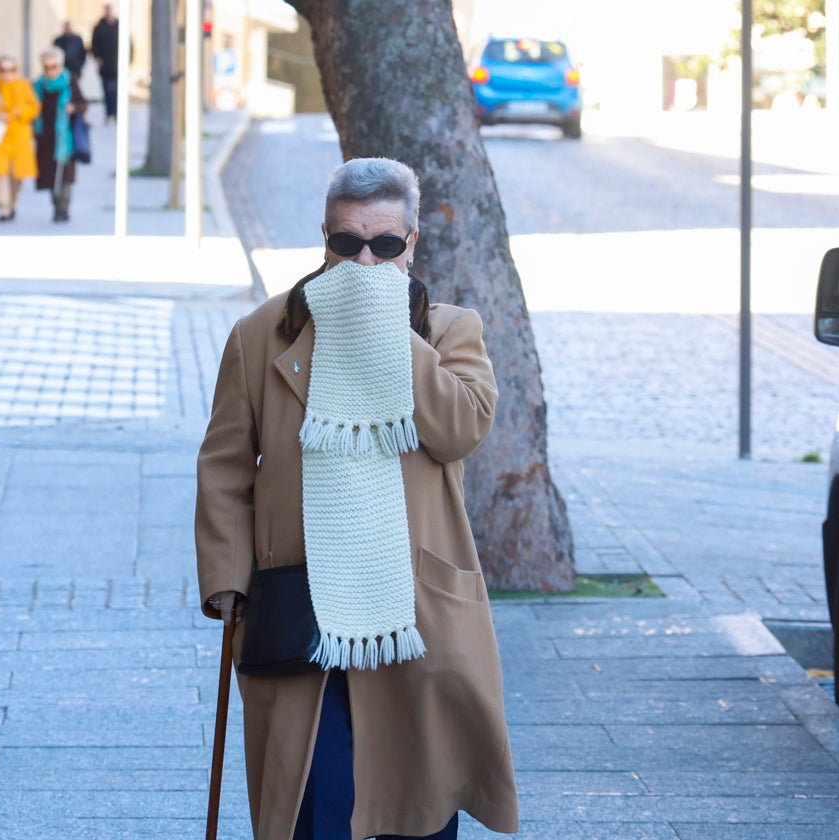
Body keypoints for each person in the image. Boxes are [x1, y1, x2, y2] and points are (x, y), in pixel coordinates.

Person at [196, 157, 519, 839]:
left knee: (418, 808)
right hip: (300, 605)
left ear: (413, 244)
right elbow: (225, 465)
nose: (364, 261)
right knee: (314, 806)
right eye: (347, 244)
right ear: (324, 239)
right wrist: (227, 579)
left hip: (411, 605)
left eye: (385, 245)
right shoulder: (263, 335)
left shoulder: (448, 331)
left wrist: (391, 334)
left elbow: (460, 429)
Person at [0, 54, 40, 222]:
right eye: (2, 70)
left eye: (11, 70)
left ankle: (12, 204)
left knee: (17, 175)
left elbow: (34, 107)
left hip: (19, 136)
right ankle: (3, 208)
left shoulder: (24, 85)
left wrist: (21, 112)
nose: (6, 74)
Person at [31, 47, 87, 223]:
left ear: (60, 65)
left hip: (65, 137)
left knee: (66, 176)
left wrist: (73, 108)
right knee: (49, 176)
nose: (50, 71)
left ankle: (64, 209)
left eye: (53, 66)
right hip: (45, 138)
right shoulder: (38, 85)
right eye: (46, 67)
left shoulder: (70, 82)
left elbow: (83, 104)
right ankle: (55, 207)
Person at [90, 4, 120, 122]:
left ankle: (117, 113)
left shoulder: (119, 26)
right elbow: (94, 45)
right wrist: (97, 58)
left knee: (117, 91)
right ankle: (109, 114)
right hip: (104, 67)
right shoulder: (99, 28)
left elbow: (129, 44)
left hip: (117, 66)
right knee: (107, 92)